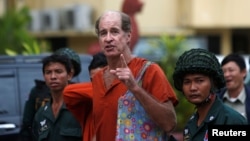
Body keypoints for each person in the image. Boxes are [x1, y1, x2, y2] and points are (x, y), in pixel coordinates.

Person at [91, 10, 178, 141]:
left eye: (114, 31)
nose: (108, 38)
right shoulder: (97, 78)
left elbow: (169, 124)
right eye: (103, 33)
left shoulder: (149, 70)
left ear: (128, 36)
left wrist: (135, 88)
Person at [172, 48, 248, 141]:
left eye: (199, 81)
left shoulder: (230, 120)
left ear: (214, 83)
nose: (192, 88)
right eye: (187, 82)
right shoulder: (191, 124)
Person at [19, 47, 81, 141]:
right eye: (48, 72)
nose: (53, 77)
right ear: (44, 76)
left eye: (58, 71)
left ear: (70, 74)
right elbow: (28, 129)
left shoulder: (82, 107)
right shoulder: (40, 114)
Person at [63, 52, 107, 141]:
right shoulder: (87, 103)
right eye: (93, 80)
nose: (96, 83)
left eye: (100, 79)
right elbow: (68, 92)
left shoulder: (121, 100)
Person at [217, 53, 250, 123]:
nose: (226, 75)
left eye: (231, 70)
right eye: (223, 71)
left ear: (243, 72)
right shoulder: (215, 99)